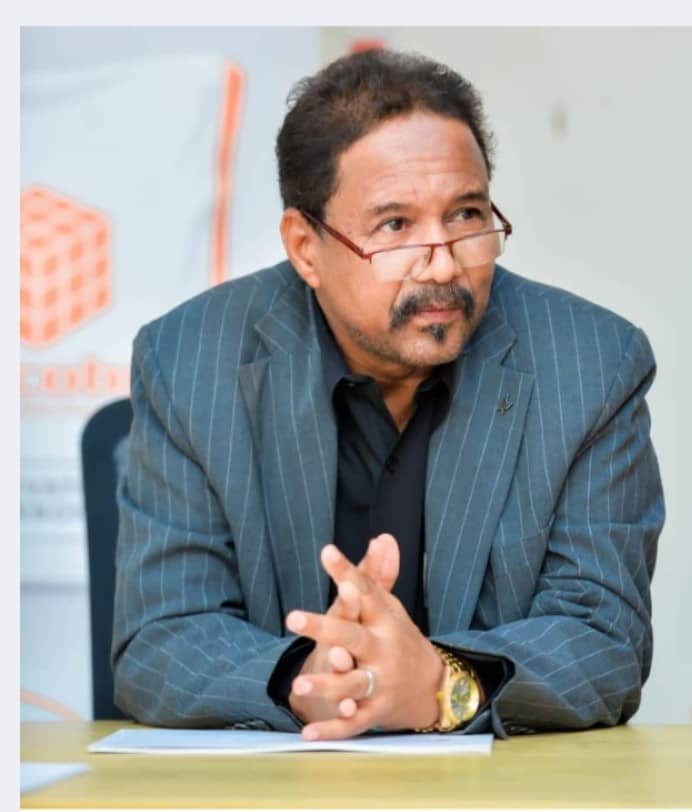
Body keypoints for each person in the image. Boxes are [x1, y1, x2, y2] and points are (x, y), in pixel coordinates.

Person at [111, 49, 664, 740]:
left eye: (466, 214)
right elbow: (161, 638)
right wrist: (309, 683)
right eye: (396, 226)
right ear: (305, 247)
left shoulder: (592, 366)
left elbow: (604, 639)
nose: (443, 263)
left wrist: (437, 684)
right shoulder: (190, 362)